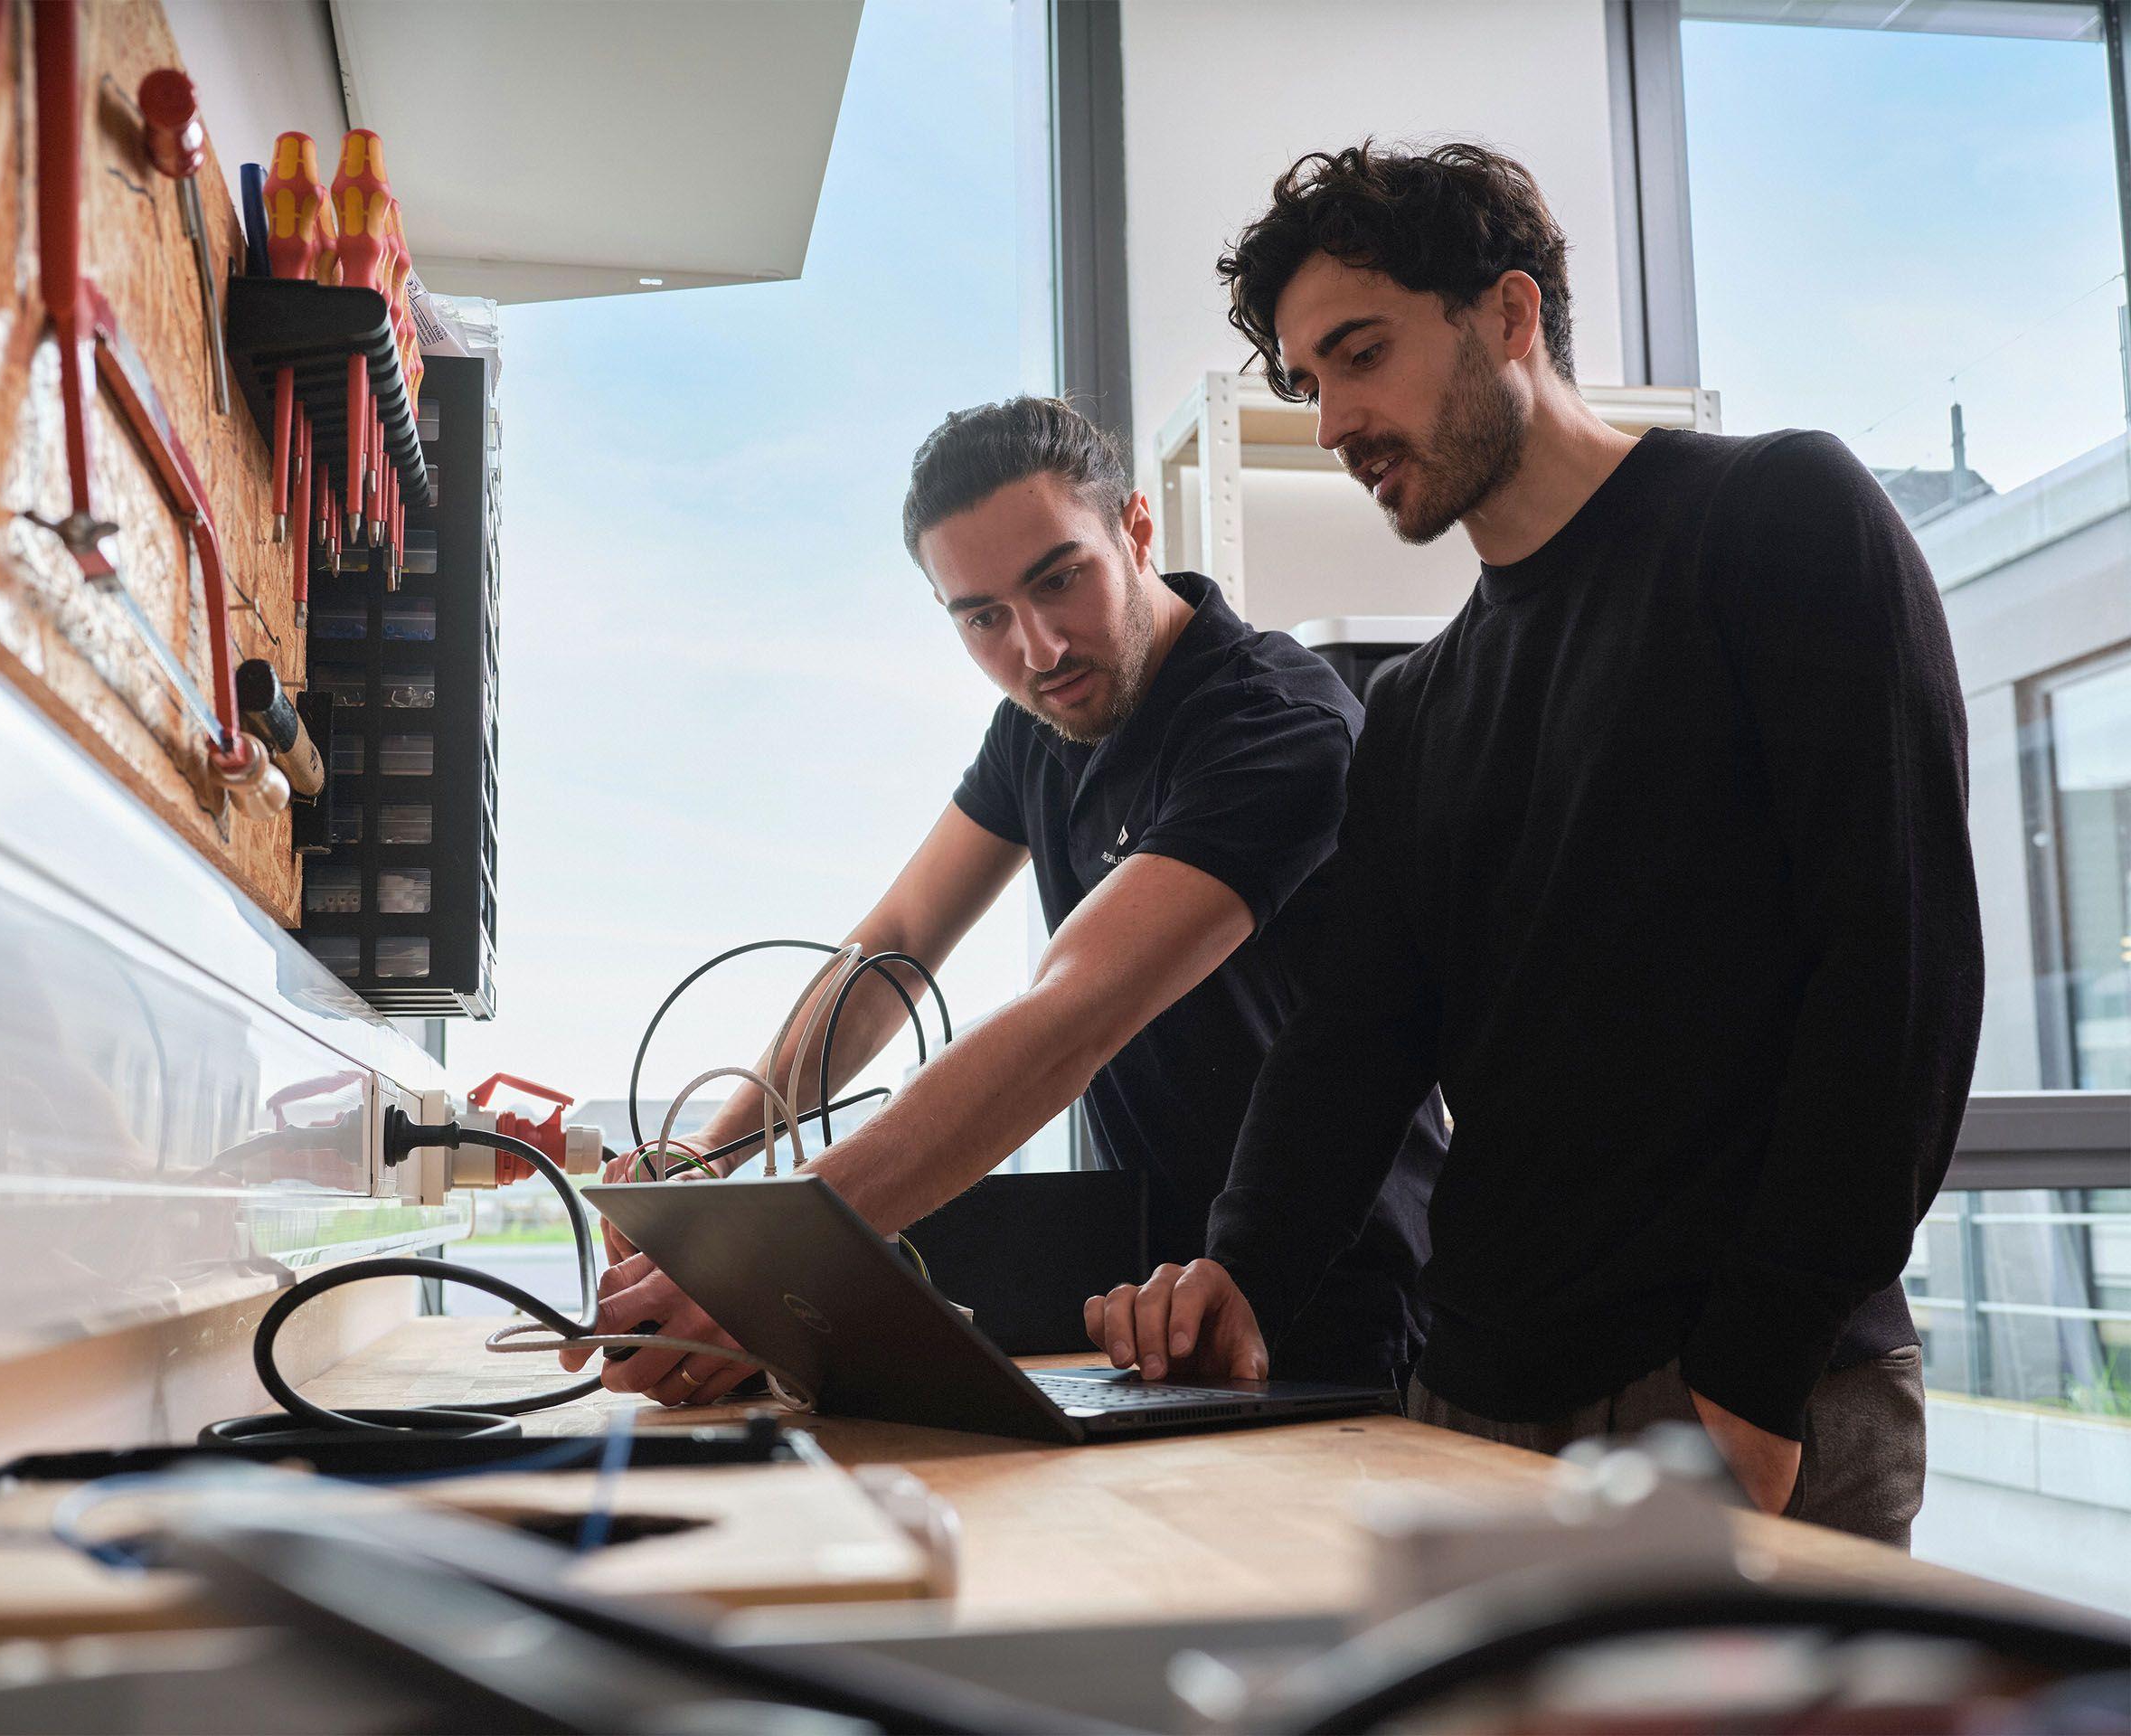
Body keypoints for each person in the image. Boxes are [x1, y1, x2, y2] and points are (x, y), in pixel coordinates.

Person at [1089, 142, 1981, 1548]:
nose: (1332, 422)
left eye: (1361, 354)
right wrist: (1238, 1272)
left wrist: (1754, 1378)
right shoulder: (1419, 706)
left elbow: (1900, 984)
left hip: (1749, 1388)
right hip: (1478, 1398)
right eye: (1307, 381)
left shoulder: (1782, 522)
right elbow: (1355, 1046)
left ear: (1510, 317)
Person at [576, 395, 1446, 1406]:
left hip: (1340, 1307)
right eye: (982, 617)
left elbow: (1066, 1021)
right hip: (1168, 1311)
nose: (1035, 650)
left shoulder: (1275, 726)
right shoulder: (1040, 727)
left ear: (1134, 529)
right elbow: (894, 943)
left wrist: (774, 1258)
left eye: (1058, 580)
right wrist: (716, 1153)